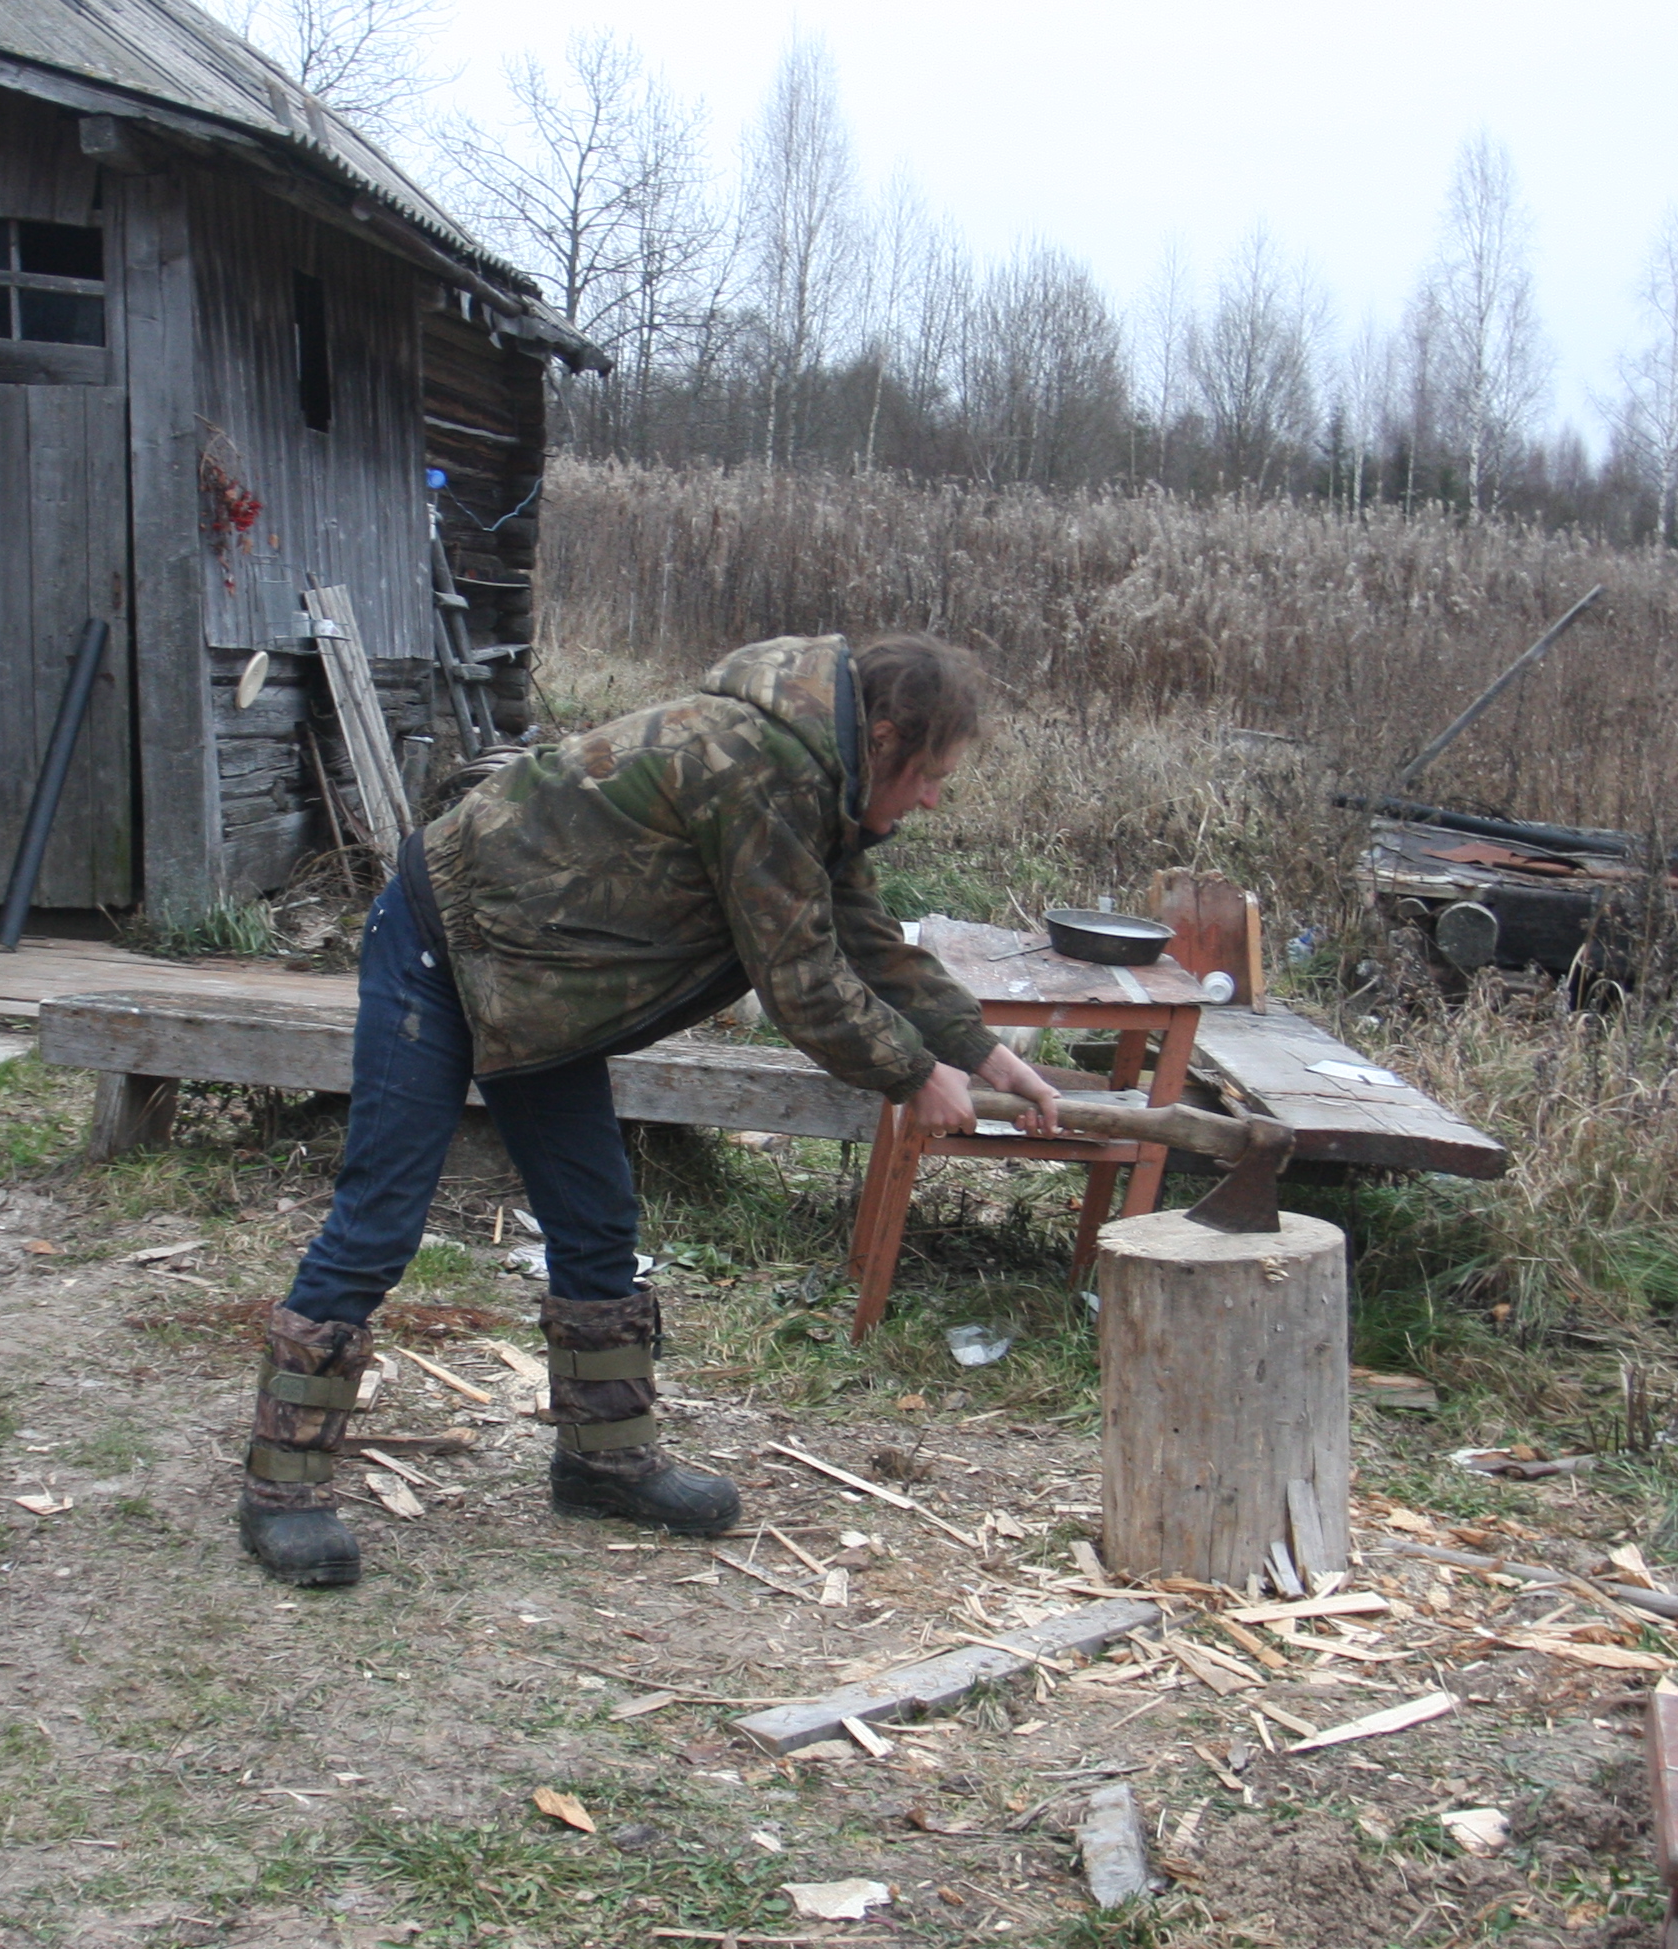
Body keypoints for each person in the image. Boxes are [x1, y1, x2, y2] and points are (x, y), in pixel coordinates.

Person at [237, 631, 1066, 1586]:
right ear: (883, 738)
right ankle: (282, 1488)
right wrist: (914, 1075)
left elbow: (864, 938)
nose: (930, 801)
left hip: (539, 977)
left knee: (595, 1220)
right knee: (381, 1216)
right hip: (440, 942)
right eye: (930, 776)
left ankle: (605, 1460)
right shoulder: (757, 767)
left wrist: (982, 1051)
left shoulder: (819, 786)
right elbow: (800, 978)